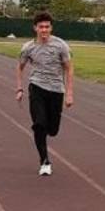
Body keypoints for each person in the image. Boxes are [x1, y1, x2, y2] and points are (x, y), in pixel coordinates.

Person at [15, 11, 74, 176]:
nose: (44, 30)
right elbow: (19, 67)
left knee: (53, 130)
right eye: (41, 27)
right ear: (35, 28)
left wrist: (69, 93)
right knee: (39, 124)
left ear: (51, 27)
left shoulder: (61, 45)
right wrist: (19, 88)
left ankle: (46, 132)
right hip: (36, 88)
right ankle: (45, 161)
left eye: (47, 27)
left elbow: (69, 68)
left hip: (56, 90)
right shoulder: (28, 47)